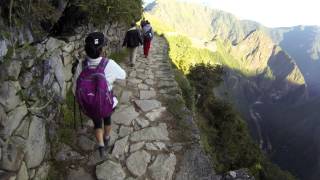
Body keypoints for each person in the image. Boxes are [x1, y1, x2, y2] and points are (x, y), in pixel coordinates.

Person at [73, 32, 126, 157]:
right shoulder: (109, 64)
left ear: (86, 50)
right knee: (107, 120)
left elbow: (75, 87)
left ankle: (101, 146)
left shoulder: (81, 65)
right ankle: (107, 137)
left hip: (91, 104)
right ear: (101, 49)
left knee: (97, 123)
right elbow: (123, 75)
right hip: (106, 102)